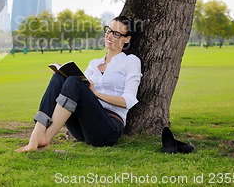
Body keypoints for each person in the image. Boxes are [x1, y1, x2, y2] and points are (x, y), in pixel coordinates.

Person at [16, 16, 142, 152]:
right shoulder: (94, 63)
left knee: (74, 81)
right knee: (60, 77)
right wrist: (62, 73)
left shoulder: (131, 61)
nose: (110, 36)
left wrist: (96, 94)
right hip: (83, 129)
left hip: (108, 128)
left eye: (116, 34)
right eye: (109, 31)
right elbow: (76, 89)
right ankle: (39, 131)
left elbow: (128, 101)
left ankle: (42, 139)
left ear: (126, 39)